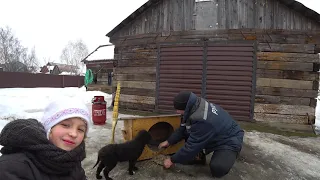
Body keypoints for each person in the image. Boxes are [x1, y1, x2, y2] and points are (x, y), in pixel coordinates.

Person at [158, 91, 244, 178]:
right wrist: (169, 141)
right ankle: (199, 157)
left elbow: (192, 146)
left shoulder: (202, 119)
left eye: (178, 109)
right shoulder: (194, 106)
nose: (177, 112)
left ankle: (230, 154)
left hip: (229, 138)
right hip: (215, 132)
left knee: (218, 168)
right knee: (191, 131)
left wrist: (172, 160)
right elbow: (183, 129)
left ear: (185, 107)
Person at [0, 98, 91, 180]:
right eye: (65, 125)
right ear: (49, 128)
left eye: (80, 129)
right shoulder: (12, 167)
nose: (74, 134)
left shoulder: (72, 159)